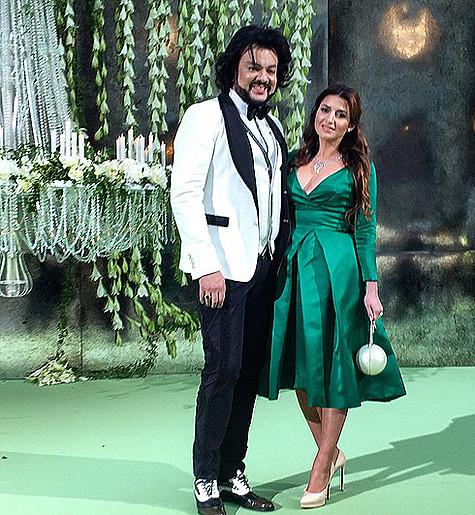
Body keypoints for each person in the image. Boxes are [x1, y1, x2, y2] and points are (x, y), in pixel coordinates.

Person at [262, 84, 406, 509]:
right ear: (315, 114)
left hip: (338, 272)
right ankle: (332, 452)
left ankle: (321, 466)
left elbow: (365, 230)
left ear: (351, 125)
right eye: (325, 110)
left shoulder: (359, 168)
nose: (330, 119)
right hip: (294, 269)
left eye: (341, 115)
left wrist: (371, 287)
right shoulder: (295, 160)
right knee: (301, 370)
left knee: (334, 369)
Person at [170, 25, 292, 515]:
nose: (263, 77)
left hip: (262, 269)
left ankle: (232, 472)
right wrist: (206, 266)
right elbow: (184, 195)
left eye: (271, 70)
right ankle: (205, 478)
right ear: (234, 68)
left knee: (247, 375)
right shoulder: (204, 117)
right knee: (223, 371)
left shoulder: (272, 126)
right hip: (220, 270)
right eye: (253, 67)